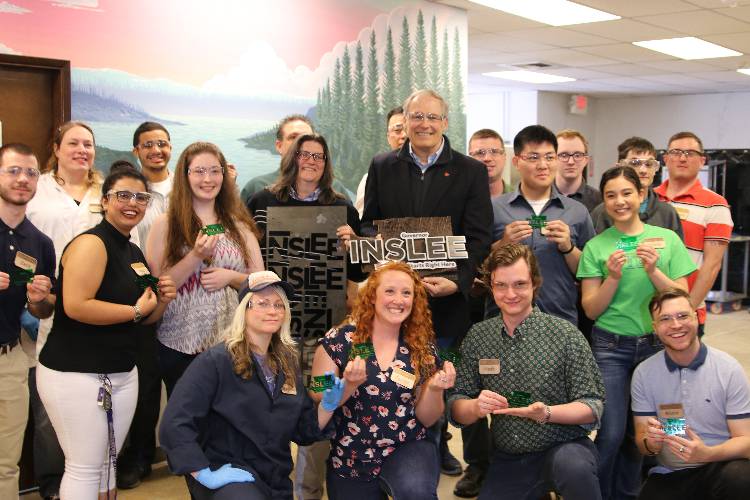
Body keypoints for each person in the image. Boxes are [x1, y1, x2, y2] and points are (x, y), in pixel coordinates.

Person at [361, 88, 493, 476]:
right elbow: (370, 223)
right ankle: (393, 463)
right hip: (394, 309)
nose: (424, 124)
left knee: (438, 384)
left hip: (447, 308)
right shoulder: (383, 166)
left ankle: (428, 464)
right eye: (417, 116)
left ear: (445, 123)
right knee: (393, 385)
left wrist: (460, 281)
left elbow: (480, 237)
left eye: (432, 117)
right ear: (405, 120)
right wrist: (379, 252)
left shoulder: (470, 171)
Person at [37, 164, 176, 499]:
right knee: (84, 468)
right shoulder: (92, 244)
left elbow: (144, 317)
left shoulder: (133, 252)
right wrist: (135, 310)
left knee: (104, 466)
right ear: (105, 201)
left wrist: (162, 301)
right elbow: (76, 305)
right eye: (122, 195)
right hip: (76, 373)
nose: (132, 203)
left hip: (120, 372)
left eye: (140, 197)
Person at [26, 121, 140, 499]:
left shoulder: (109, 195)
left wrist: (151, 297)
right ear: (55, 148)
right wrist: (135, 310)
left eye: (89, 144)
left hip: (109, 344)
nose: (82, 150)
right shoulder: (36, 191)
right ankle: (48, 489)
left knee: (100, 459)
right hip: (54, 320)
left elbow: (129, 265)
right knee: (68, 447)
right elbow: (77, 305)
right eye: (73, 142)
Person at [246, 132, 363, 499]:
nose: (311, 162)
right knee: (270, 407)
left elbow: (358, 275)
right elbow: (249, 259)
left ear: (326, 164)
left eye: (319, 156)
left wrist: (352, 246)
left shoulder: (343, 208)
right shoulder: (263, 201)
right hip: (274, 328)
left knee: (321, 404)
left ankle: (308, 491)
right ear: (291, 158)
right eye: (304, 154)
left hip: (324, 333)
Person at [159, 270, 340, 499]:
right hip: (230, 476)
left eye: (278, 304)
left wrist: (328, 405)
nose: (272, 311)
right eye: (262, 303)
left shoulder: (287, 364)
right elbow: (175, 422)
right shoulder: (217, 361)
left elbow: (303, 429)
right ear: (244, 309)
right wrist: (204, 474)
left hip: (275, 479)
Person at [449, 243, 605, 500]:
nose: (510, 294)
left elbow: (592, 406)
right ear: (491, 286)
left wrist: (547, 413)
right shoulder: (478, 337)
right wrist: (475, 407)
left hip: (564, 447)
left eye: (520, 284)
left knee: (575, 468)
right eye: (501, 285)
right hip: (510, 458)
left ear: (534, 283)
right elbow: (456, 405)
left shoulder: (565, 335)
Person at [577, 166, 697, 500]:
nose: (619, 201)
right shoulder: (596, 247)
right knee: (612, 432)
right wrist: (612, 277)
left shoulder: (667, 240)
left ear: (642, 195)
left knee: (642, 432)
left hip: (657, 347)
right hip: (610, 347)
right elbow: (590, 310)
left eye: (627, 193)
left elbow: (681, 297)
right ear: (604, 201)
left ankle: (627, 494)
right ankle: (591, 493)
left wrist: (653, 270)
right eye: (611, 195)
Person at [311, 261, 456, 499]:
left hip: (407, 447)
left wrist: (434, 390)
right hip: (352, 455)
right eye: (390, 291)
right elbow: (317, 391)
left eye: (406, 293)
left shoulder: (422, 347)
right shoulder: (340, 340)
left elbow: (427, 419)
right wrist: (347, 386)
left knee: (416, 491)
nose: (398, 300)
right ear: (372, 296)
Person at [146, 142, 264, 395]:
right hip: (178, 344)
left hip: (231, 344)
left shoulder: (239, 225)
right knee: (186, 423)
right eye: (199, 171)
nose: (208, 179)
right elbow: (156, 289)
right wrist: (196, 256)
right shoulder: (165, 224)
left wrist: (231, 277)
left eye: (214, 170)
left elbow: (261, 282)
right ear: (185, 175)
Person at [632, 287, 750, 500]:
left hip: (722, 465)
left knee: (742, 478)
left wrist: (707, 453)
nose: (676, 325)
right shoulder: (644, 373)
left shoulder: (728, 369)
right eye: (665, 319)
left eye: (683, 316)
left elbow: (746, 441)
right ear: (655, 327)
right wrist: (652, 443)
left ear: (697, 317)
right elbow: (642, 439)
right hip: (673, 473)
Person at [453, 127, 512, 498]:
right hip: (466, 307)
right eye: (478, 152)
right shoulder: (460, 197)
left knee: (509, 382)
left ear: (505, 157)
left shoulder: (516, 202)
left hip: (506, 308)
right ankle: (477, 464)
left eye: (493, 151)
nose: (486, 158)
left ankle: (510, 459)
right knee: (469, 381)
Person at [115, 121, 175, 489]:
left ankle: (187, 449)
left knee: (186, 384)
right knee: (145, 386)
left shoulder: (182, 185)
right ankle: (137, 458)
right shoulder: (133, 190)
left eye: (163, 144)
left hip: (186, 297)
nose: (157, 150)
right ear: (136, 151)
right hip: (144, 300)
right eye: (148, 145)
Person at [490, 125, 594, 326]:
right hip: (502, 321)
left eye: (549, 157)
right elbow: (478, 267)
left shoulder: (577, 211)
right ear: (517, 161)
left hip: (559, 320)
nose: (543, 165)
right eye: (533, 157)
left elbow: (591, 272)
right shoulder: (494, 209)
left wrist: (568, 248)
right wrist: (503, 243)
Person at [0, 143, 55, 500]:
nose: (23, 179)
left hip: (11, 359)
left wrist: (39, 301)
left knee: (6, 462)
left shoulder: (40, 243)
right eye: (13, 171)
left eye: (31, 173)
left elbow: (45, 310)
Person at [654, 132, 733, 337]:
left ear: (702, 160)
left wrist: (686, 309)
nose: (682, 158)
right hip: (644, 311)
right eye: (676, 152)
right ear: (665, 159)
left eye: (690, 153)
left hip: (686, 312)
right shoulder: (649, 199)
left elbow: (712, 264)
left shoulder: (716, 205)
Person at [240, 115, 351, 205]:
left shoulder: (335, 188)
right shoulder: (256, 187)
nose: (301, 144)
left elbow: (354, 228)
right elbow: (232, 226)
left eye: (306, 138)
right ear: (279, 146)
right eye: (294, 137)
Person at [590, 137, 683, 239]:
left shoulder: (667, 213)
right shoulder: (601, 213)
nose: (643, 170)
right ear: (619, 167)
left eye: (649, 164)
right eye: (635, 163)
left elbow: (677, 253)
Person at [354, 106, 407, 216]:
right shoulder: (371, 180)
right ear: (388, 137)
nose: (404, 135)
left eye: (409, 130)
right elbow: (363, 224)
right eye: (397, 130)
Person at [554, 129, 602, 212]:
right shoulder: (537, 196)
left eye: (578, 155)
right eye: (564, 155)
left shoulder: (599, 201)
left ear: (586, 160)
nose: (571, 162)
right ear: (553, 159)